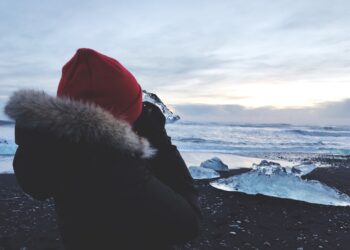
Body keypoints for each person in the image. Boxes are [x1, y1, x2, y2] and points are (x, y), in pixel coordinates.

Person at [4, 48, 201, 250]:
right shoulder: (116, 167)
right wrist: (159, 140)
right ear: (121, 117)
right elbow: (188, 224)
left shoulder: (58, 149)